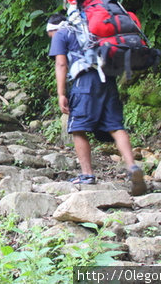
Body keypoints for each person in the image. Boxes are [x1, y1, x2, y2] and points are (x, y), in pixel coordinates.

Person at [47, 13, 146, 195]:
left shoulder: (62, 34)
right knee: (115, 126)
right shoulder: (93, 29)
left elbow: (61, 64)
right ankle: (132, 167)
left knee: (78, 127)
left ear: (53, 29)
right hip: (108, 80)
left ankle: (87, 175)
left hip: (84, 82)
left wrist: (61, 93)